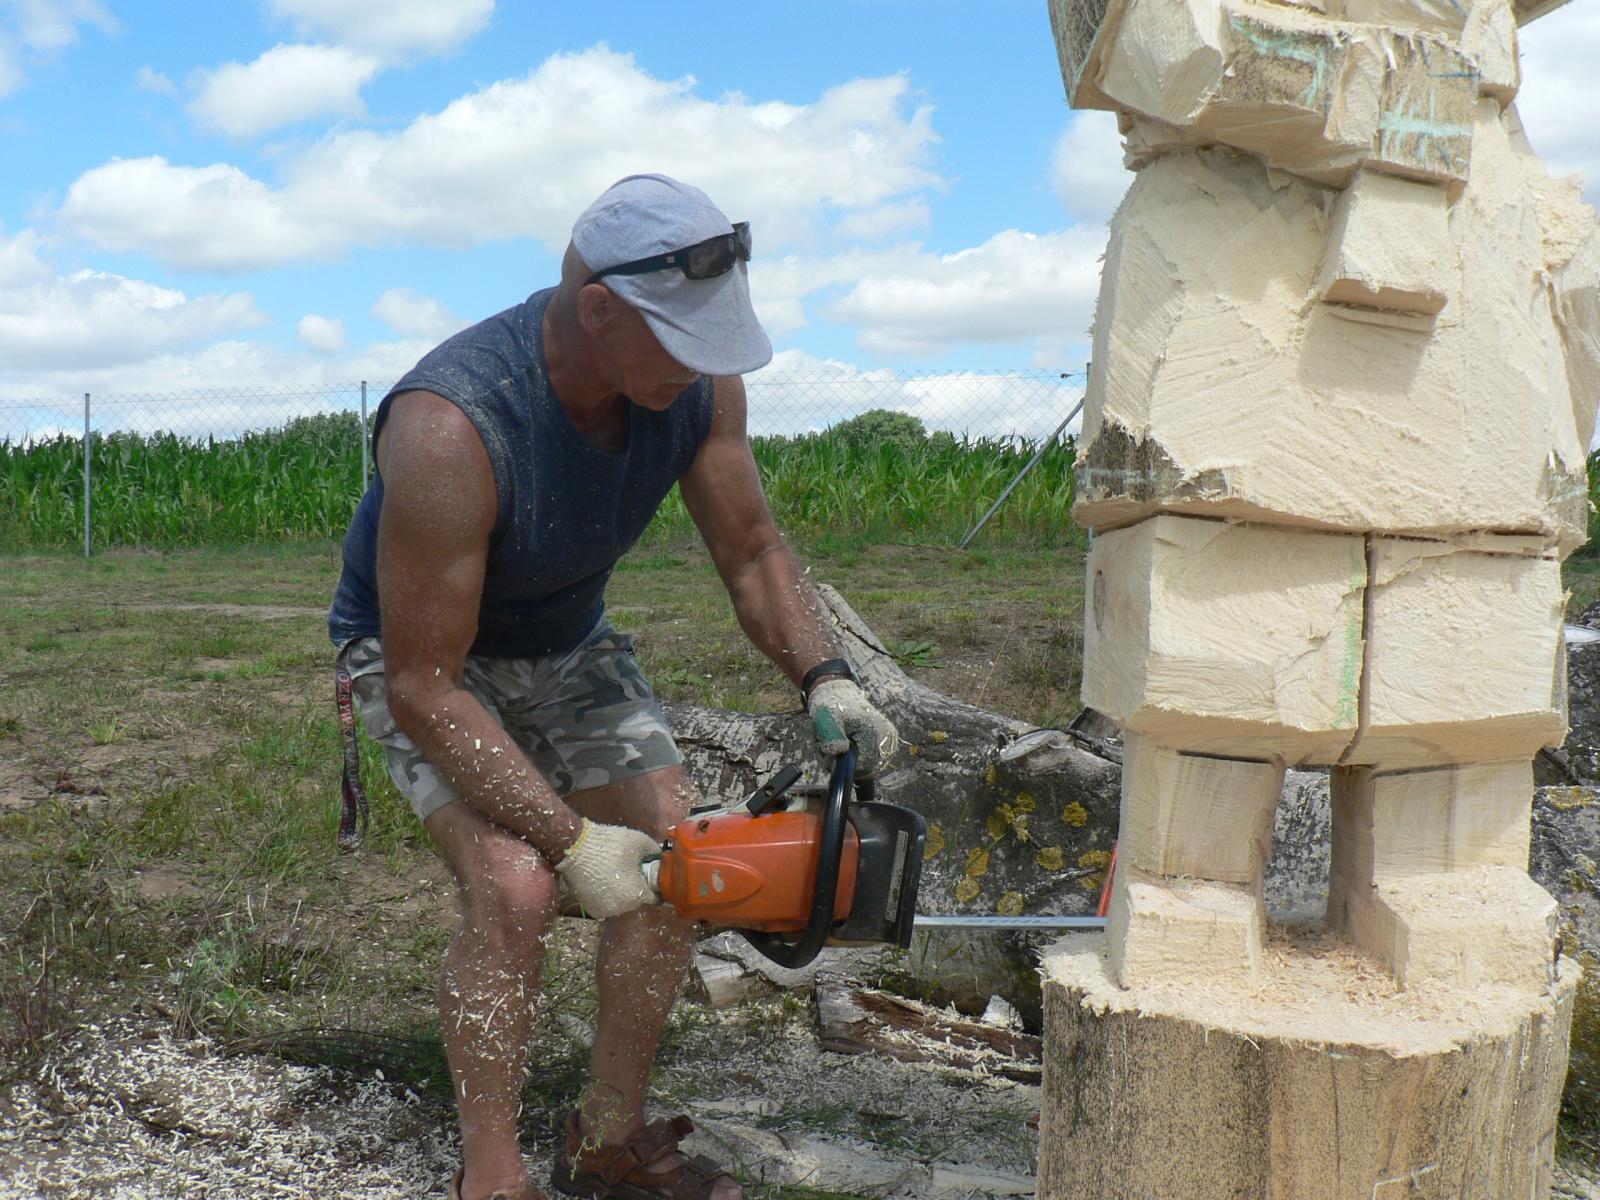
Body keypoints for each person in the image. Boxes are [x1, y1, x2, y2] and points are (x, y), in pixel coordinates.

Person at [327, 173, 900, 1200]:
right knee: (516, 886)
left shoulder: (699, 388)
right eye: (683, 340)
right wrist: (572, 842)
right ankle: (491, 1177)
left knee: (682, 859)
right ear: (598, 310)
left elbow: (753, 551)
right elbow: (424, 685)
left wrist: (829, 678)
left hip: (566, 640)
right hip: (424, 658)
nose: (704, 363)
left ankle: (607, 1139)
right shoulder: (452, 424)